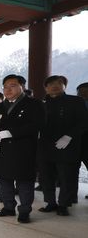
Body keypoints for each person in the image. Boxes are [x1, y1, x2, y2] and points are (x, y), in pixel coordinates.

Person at [0, 74, 45, 223]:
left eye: (12, 86)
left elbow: (38, 124)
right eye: (5, 87)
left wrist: (11, 133)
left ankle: (24, 211)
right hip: (1, 151)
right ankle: (8, 207)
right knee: (4, 181)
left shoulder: (34, 104)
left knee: (24, 182)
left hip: (23, 150)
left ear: (22, 86)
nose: (8, 89)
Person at [38, 76, 88, 216]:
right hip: (45, 146)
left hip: (68, 146)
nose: (54, 86)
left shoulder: (76, 101)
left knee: (66, 177)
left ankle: (63, 205)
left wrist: (69, 136)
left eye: (58, 83)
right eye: (51, 84)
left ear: (64, 86)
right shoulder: (41, 103)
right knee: (46, 177)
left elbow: (84, 122)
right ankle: (50, 202)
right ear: (46, 88)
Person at [77, 82, 88, 199]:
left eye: (85, 92)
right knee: (73, 169)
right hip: (76, 141)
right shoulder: (76, 105)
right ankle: (71, 195)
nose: (82, 94)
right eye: (80, 92)